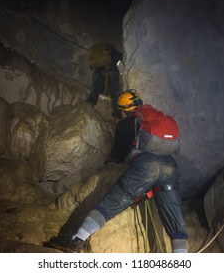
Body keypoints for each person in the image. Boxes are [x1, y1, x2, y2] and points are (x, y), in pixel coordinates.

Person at [46, 90, 188, 253]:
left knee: (112, 202)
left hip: (146, 165)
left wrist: (109, 162)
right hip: (170, 166)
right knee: (174, 213)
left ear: (123, 110)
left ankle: (76, 241)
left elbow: (118, 154)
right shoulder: (155, 117)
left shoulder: (126, 124)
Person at [85, 43, 123, 118]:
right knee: (114, 92)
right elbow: (121, 61)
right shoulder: (115, 52)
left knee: (96, 87)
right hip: (113, 72)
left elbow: (91, 66)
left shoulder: (98, 53)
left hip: (100, 72)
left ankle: (91, 100)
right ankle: (116, 113)